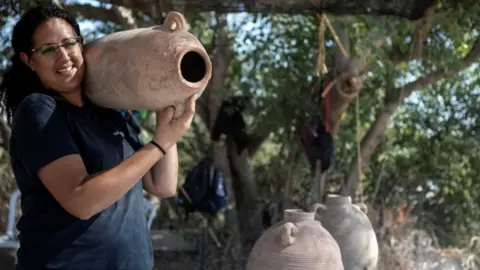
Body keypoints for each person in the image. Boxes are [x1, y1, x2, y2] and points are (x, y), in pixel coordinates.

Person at [0, 4, 197, 270]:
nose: (64, 56)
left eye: (70, 43)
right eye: (48, 49)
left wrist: (165, 113)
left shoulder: (110, 113)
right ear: (28, 60)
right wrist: (159, 144)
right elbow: (80, 199)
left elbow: (161, 185)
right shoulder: (39, 110)